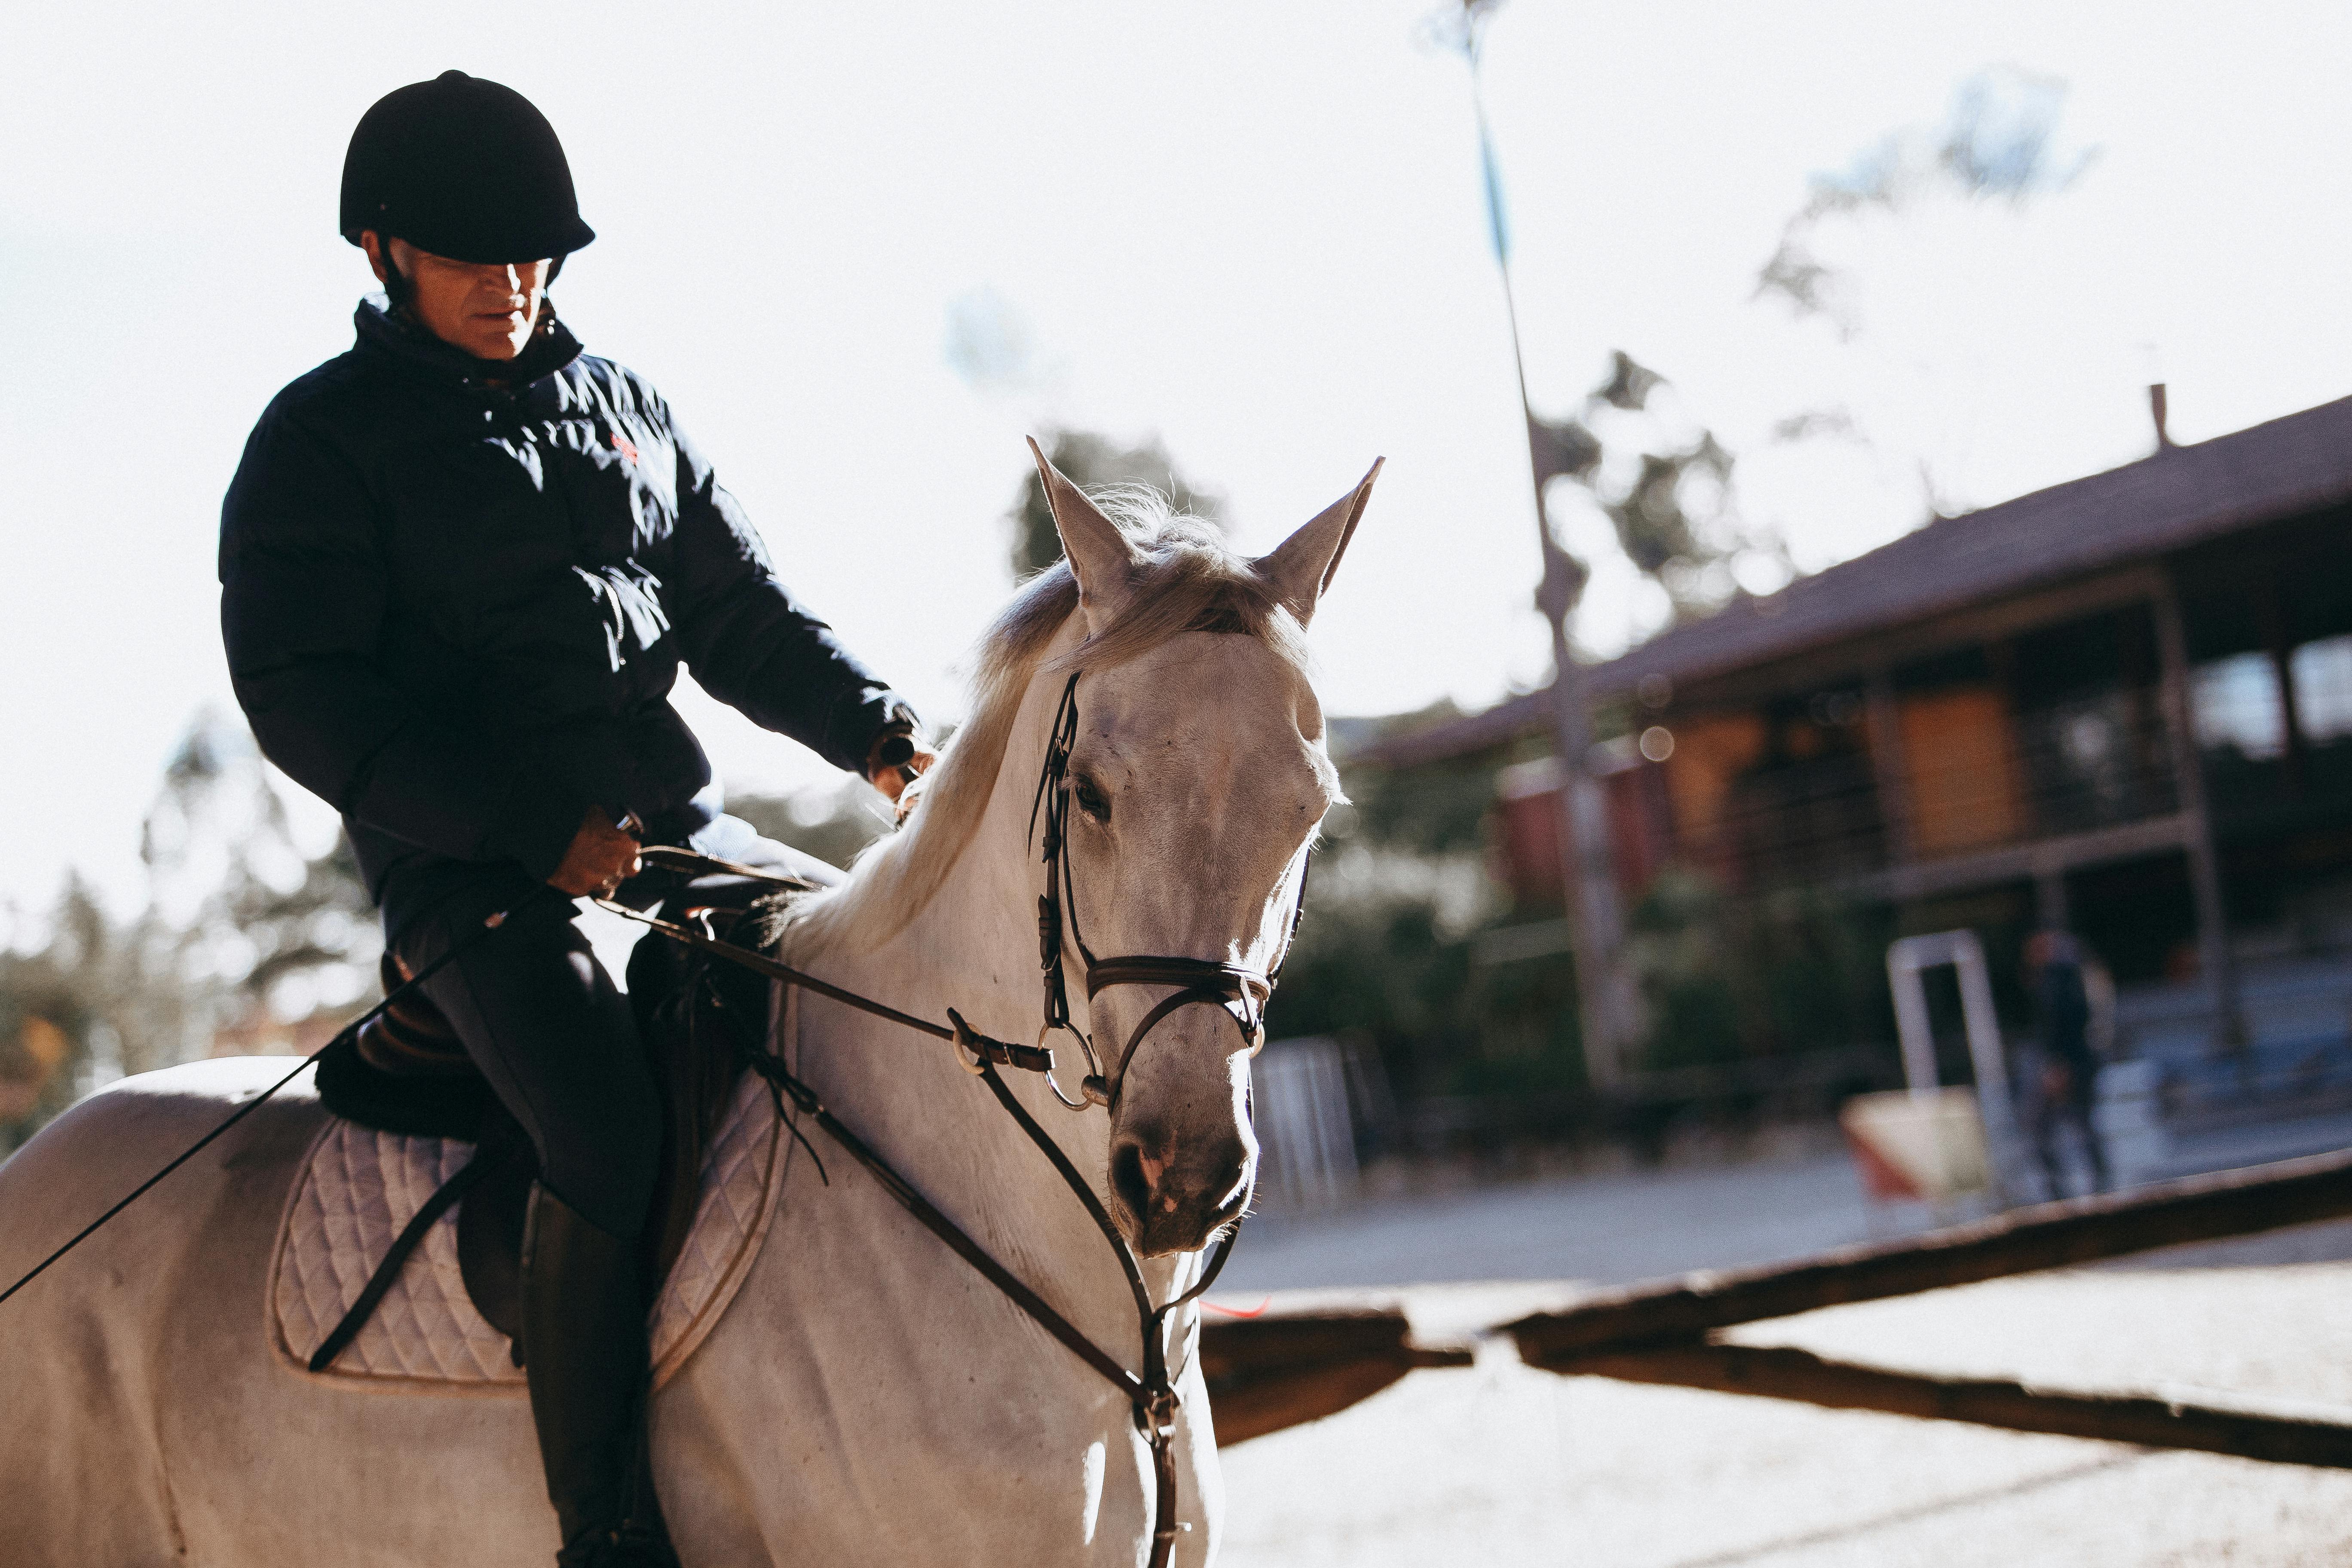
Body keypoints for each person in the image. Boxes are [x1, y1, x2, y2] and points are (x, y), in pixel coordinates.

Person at [218, 71, 931, 1567]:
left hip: (678, 837)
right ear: (382, 254)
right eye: (478, 260)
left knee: (878, 991)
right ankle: (602, 1516)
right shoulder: (318, 445)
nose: (515, 286)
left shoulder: (629, 407)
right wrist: (530, 824)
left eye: (536, 257)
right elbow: (303, 694)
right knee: (603, 1130)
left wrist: (877, 731)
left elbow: (737, 614)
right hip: (470, 873)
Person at [2022, 929, 2110, 1198]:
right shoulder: (2074, 975)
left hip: (2069, 1063)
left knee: (2050, 1124)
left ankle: (2069, 1186)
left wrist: (2059, 1066)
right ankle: (2093, 1183)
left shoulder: (2060, 980)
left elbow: (2064, 1026)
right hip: (2078, 1060)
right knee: (2078, 1122)